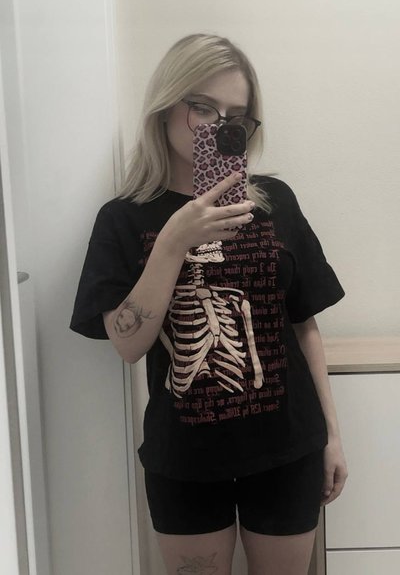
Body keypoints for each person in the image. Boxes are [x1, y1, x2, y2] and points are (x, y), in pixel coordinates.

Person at [70, 34, 348, 575]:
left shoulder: (274, 202)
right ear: (165, 106)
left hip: (288, 446)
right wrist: (173, 240)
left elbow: (303, 324)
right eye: (202, 107)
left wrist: (333, 436)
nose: (219, 127)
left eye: (236, 117)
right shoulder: (123, 218)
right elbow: (128, 344)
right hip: (185, 458)